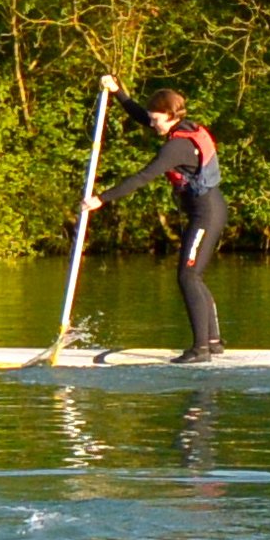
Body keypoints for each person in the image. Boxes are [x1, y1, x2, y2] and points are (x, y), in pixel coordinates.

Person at [91, 84, 226, 359]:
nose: (151, 124)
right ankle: (212, 342)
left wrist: (101, 198)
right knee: (193, 276)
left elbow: (143, 176)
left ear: (171, 116)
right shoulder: (181, 127)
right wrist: (118, 92)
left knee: (188, 276)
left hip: (206, 214)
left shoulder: (177, 147)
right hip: (209, 209)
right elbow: (143, 115)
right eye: (151, 119)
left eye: (156, 120)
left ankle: (201, 349)